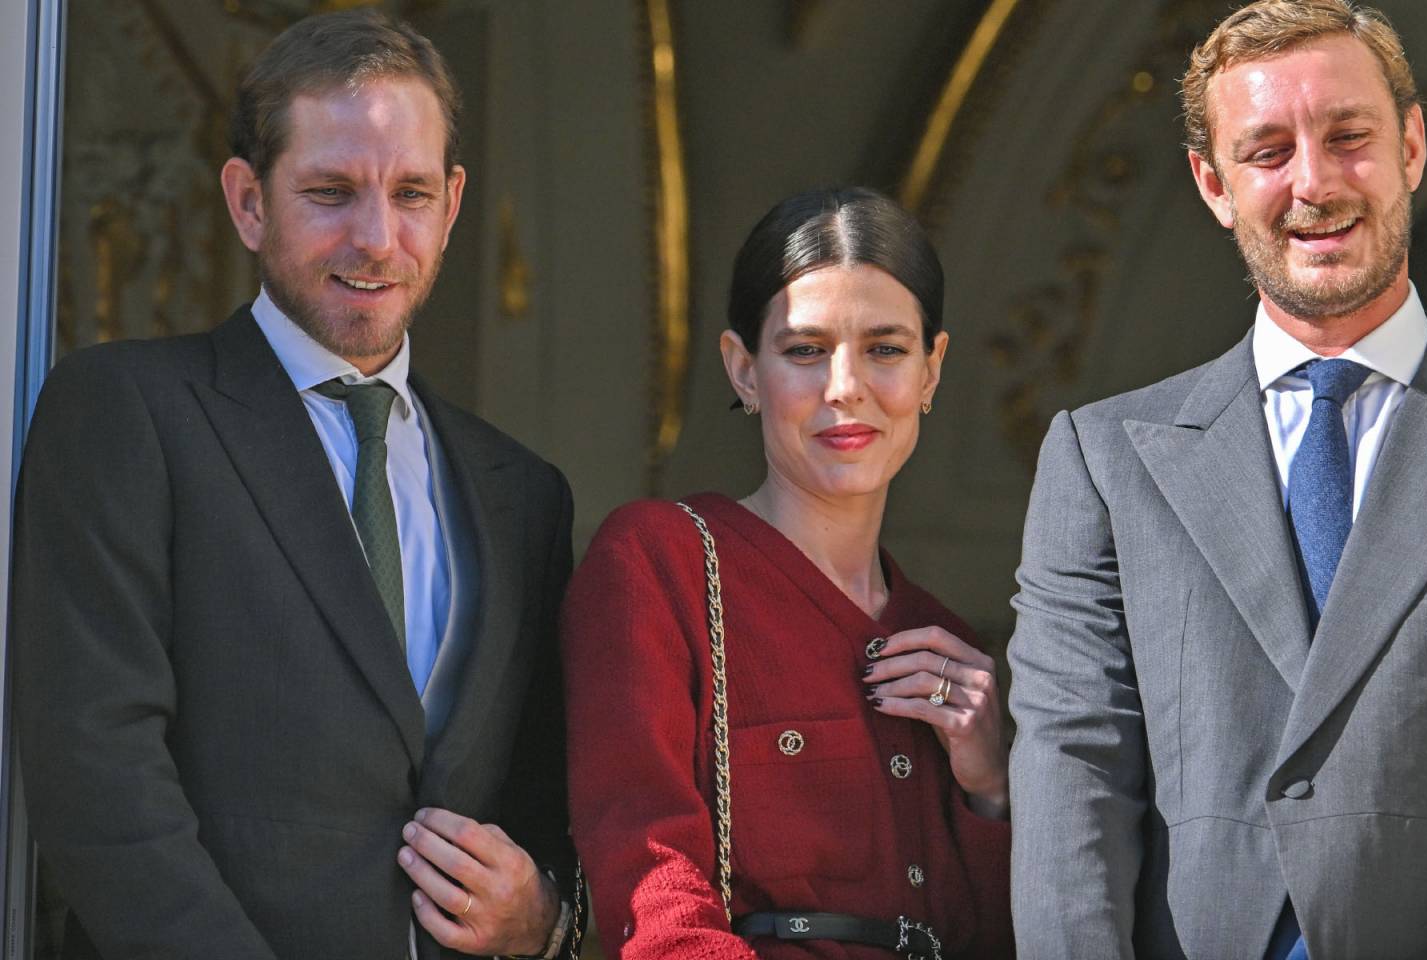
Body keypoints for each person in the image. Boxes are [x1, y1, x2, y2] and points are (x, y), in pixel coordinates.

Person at [1006, 1, 1427, 958]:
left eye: (1348, 137)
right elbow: (1072, 772)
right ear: (1213, 183)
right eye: (1268, 151)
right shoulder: (1105, 458)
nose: (1314, 183)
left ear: (1410, 144)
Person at [12, 11, 581, 960]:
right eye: (330, 192)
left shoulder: (525, 496)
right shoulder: (125, 413)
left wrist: (550, 919)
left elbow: (542, 804)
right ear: (247, 201)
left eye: (410, 193)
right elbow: (100, 778)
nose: (376, 237)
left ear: (451, 204)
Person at [562, 187, 1013, 958]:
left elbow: (1001, 935)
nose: (845, 386)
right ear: (743, 370)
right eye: (805, 350)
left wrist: (992, 788)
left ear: (932, 371)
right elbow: (651, 888)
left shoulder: (943, 642)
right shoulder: (660, 563)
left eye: (886, 348)